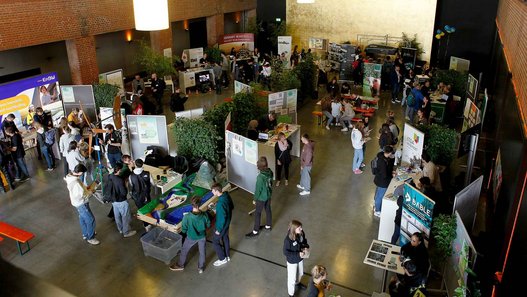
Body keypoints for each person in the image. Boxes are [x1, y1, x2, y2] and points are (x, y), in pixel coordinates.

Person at [169, 196, 211, 273]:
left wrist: (185, 232)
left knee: (184, 250)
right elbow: (208, 225)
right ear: (199, 204)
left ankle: (180, 265)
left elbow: (184, 229)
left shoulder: (187, 216)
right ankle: (200, 268)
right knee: (202, 252)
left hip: (191, 237)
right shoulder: (205, 215)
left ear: (192, 204)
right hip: (202, 236)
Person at [65, 164, 100, 245]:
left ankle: (85, 233)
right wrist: (91, 192)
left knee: (82, 218)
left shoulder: (70, 177)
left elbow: (80, 191)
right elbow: (81, 195)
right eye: (83, 173)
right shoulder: (76, 182)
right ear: (80, 172)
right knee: (91, 220)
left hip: (77, 203)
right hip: (81, 204)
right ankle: (90, 238)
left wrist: (85, 188)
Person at [106, 163, 136, 238]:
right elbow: (124, 192)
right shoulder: (119, 180)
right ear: (119, 170)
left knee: (117, 215)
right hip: (121, 200)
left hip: (113, 200)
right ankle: (126, 232)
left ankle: (120, 229)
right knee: (125, 216)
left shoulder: (110, 176)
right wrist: (125, 185)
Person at [246, 156, 273, 237]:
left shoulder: (260, 177)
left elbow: (258, 190)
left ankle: (255, 231)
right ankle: (268, 225)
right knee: (268, 210)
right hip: (268, 195)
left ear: (259, 167)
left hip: (261, 198)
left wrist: (255, 199)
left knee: (258, 213)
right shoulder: (270, 172)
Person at [283, 220, 309, 297]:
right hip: (292, 261)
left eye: (301, 227)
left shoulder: (301, 233)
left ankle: (298, 283)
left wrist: (306, 247)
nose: (301, 229)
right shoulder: (288, 240)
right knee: (292, 279)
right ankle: (291, 294)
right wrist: (297, 254)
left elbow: (303, 241)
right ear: (294, 229)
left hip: (300, 258)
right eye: (299, 228)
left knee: (301, 273)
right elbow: (286, 252)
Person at [211, 183, 234, 267]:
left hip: (222, 225)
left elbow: (221, 218)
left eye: (213, 191)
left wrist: (218, 229)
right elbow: (231, 206)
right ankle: (227, 256)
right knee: (225, 238)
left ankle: (222, 259)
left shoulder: (220, 204)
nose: (212, 192)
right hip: (228, 222)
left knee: (215, 241)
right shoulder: (226, 195)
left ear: (217, 191)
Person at [372, 145, 395, 216]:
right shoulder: (383, 162)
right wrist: (391, 175)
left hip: (378, 179)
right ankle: (377, 211)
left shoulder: (380, 156)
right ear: (389, 153)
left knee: (378, 193)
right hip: (383, 182)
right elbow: (385, 175)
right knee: (380, 196)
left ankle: (375, 204)